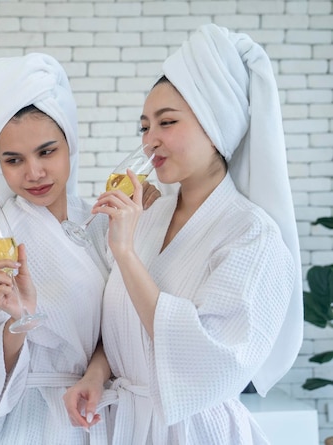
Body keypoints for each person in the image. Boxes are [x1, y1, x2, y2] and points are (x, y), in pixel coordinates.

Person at [63, 23, 303, 444]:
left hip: (195, 431)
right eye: (144, 126)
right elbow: (121, 327)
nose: (150, 140)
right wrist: (96, 374)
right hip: (125, 426)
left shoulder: (253, 236)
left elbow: (209, 357)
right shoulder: (148, 214)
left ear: (216, 127)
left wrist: (125, 253)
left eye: (166, 122)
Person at [0, 53, 159, 445]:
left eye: (46, 152)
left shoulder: (97, 221)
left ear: (69, 145)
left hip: (95, 408)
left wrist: (94, 376)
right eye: (14, 160)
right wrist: (16, 320)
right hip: (29, 420)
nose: (34, 173)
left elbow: (121, 327)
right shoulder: (3, 238)